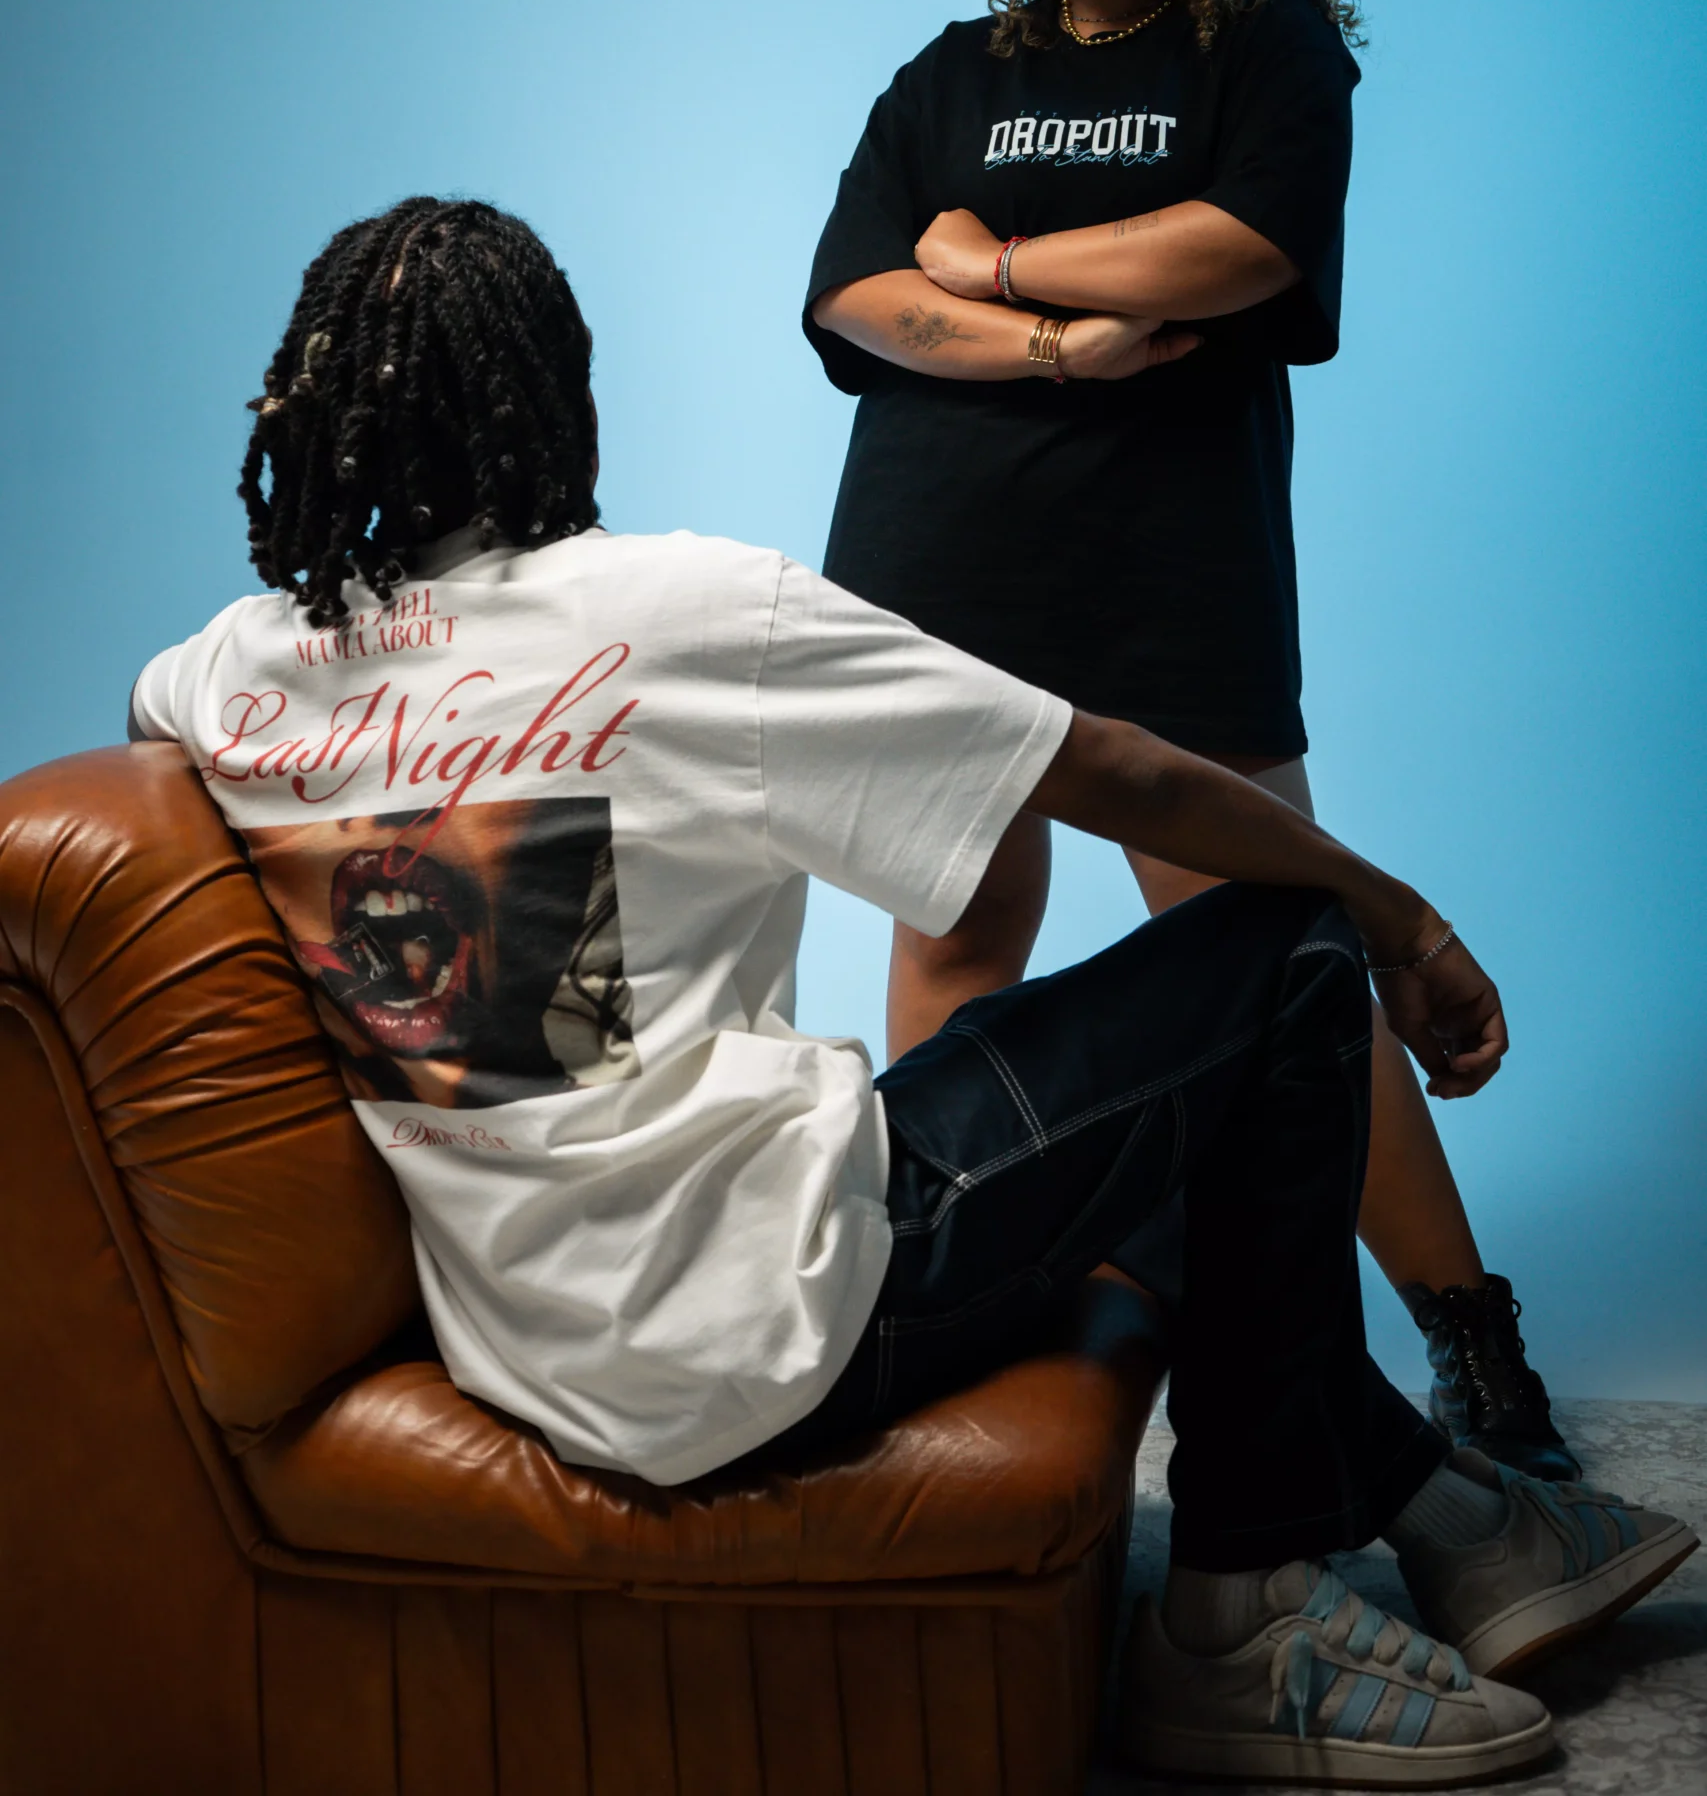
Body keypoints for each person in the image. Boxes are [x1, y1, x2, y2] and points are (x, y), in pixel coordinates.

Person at [130, 196, 1692, 1788]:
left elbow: (154, 728)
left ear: (310, 411)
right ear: (551, 393)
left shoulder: (226, 675)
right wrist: (1398, 915)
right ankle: (1238, 1622)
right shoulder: (674, 614)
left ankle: (1456, 1517)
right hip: (772, 1321)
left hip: (530, 1335)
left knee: (1135, 1107)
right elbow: (1115, 766)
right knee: (1282, 959)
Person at [805, 0, 1573, 1478]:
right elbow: (857, 294)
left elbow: (1241, 249)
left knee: (1282, 953)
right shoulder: (953, 73)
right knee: (955, 935)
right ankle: (962, 1292)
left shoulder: (1266, 45)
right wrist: (1067, 343)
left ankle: (1472, 1344)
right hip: (934, 558)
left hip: (1169, 565)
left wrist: (990, 259)